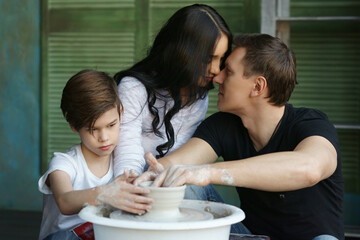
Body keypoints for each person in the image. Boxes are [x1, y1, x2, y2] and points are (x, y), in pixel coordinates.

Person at [135, 34, 344, 240]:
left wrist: (207, 172)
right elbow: (174, 166)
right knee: (180, 181)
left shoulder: (311, 124)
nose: (217, 78)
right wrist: (147, 177)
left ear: (257, 86)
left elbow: (310, 168)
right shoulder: (223, 125)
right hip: (251, 237)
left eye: (229, 71)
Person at [113, 4, 232, 201]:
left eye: (221, 59)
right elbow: (127, 151)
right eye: (209, 58)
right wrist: (134, 187)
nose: (216, 69)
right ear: (183, 52)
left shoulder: (199, 96)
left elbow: (183, 156)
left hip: (169, 185)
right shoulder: (134, 88)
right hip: (135, 187)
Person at [38, 70, 153, 240]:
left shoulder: (123, 160)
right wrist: (106, 193)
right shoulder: (63, 163)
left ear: (121, 113)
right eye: (93, 129)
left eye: (111, 125)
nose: (104, 137)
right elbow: (65, 201)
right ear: (74, 126)